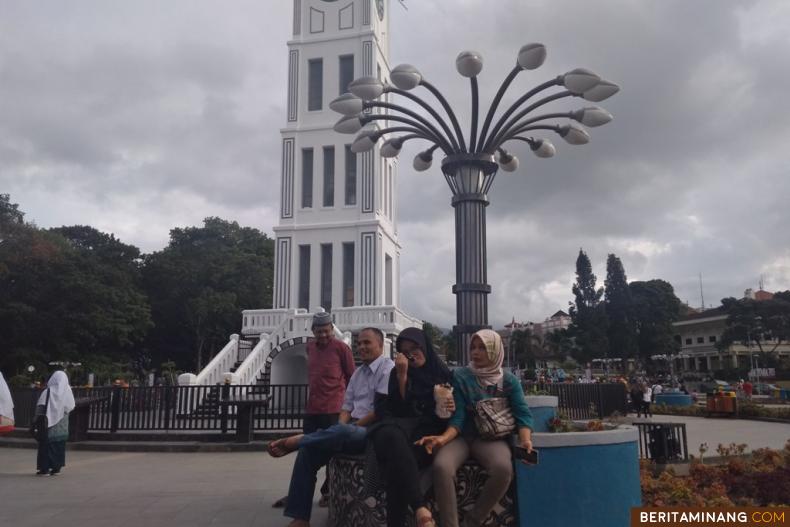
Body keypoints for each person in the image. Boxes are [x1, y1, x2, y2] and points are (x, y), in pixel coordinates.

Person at [267, 327, 394, 527]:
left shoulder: (388, 369)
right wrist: (339, 430)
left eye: (367, 343)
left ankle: (301, 439)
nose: (361, 347)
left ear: (381, 344)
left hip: (373, 430)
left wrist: (346, 429)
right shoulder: (359, 374)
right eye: (359, 343)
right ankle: (300, 518)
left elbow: (379, 411)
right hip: (349, 429)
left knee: (340, 431)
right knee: (308, 453)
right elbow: (346, 407)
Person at [418, 330, 534, 527]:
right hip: (462, 436)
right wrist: (442, 439)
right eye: (473, 347)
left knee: (503, 469)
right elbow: (459, 416)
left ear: (496, 351)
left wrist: (525, 441)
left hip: (491, 439)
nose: (475, 352)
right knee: (442, 466)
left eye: (482, 348)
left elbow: (522, 414)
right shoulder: (461, 376)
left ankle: (473, 521)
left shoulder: (509, 380)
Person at [368, 327, 454, 527]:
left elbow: (445, 418)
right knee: (390, 435)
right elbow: (396, 410)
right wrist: (402, 376)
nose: (412, 354)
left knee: (396, 468)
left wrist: (451, 407)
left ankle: (413, 513)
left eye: (415, 348)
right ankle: (420, 508)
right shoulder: (396, 373)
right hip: (396, 431)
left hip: (425, 436)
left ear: (425, 346)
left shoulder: (442, 375)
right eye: (405, 351)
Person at [273, 311, 355, 508]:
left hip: (334, 408)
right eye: (319, 332)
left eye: (327, 331)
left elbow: (352, 376)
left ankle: (328, 492)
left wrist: (350, 407)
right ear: (313, 331)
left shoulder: (342, 348)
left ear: (332, 330)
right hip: (313, 409)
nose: (323, 335)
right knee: (306, 452)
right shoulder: (310, 347)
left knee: (331, 452)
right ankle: (298, 495)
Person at [35, 371, 75, 475]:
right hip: (62, 427)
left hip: (48, 425)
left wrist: (35, 420)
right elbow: (70, 407)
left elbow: (40, 407)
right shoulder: (68, 391)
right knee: (59, 446)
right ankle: (56, 469)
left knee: (46, 446)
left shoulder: (48, 391)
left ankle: (45, 469)